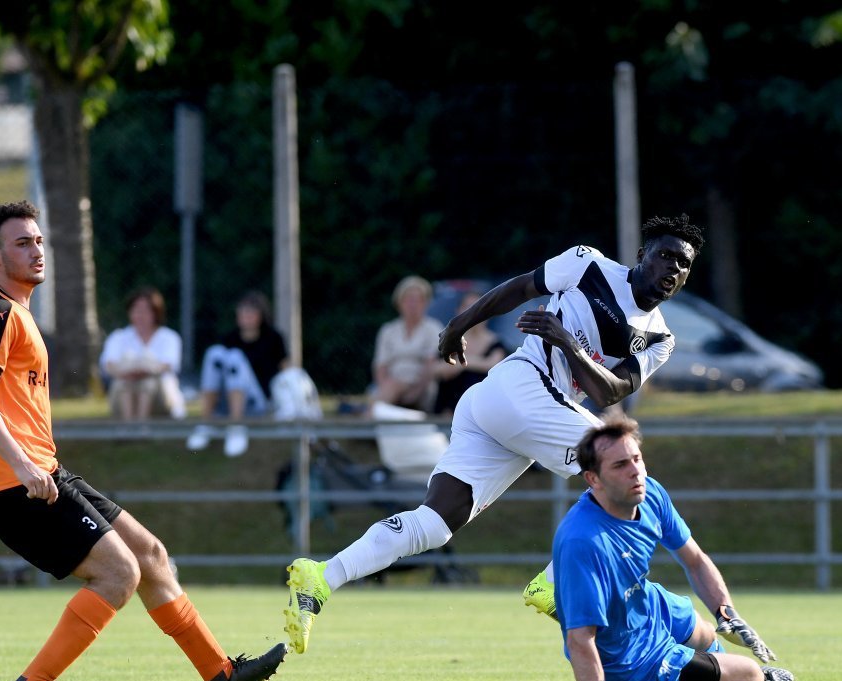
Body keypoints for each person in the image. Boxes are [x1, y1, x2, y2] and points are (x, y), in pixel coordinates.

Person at [281, 214, 705, 655]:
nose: (672, 270)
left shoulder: (659, 338)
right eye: (665, 256)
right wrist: (457, 326)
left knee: (436, 523)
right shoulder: (587, 264)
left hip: (509, 407)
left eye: (684, 265)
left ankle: (321, 577)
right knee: (624, 467)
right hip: (519, 385)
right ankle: (555, 583)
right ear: (643, 256)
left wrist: (568, 344)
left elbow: (607, 389)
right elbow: (520, 288)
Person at [0, 200, 286, 681]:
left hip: (44, 471)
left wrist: (34, 465)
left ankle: (222, 676)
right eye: (23, 243)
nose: (37, 250)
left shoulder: (18, 314)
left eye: (39, 240)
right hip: (16, 483)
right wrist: (23, 467)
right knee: (119, 573)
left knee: (151, 555)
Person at [554, 417, 793, 681]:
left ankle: (696, 669)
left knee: (706, 631)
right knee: (748, 676)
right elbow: (580, 639)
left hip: (646, 605)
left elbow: (694, 559)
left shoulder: (649, 492)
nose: (635, 471)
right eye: (620, 465)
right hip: (627, 658)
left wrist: (727, 614)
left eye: (637, 459)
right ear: (593, 479)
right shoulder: (583, 541)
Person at [186, 290, 288, 457]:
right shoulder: (230, 338)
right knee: (214, 353)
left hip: (258, 403)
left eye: (250, 311)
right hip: (226, 402)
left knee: (235, 357)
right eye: (242, 311)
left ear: (261, 315)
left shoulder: (273, 338)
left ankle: (236, 426)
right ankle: (206, 423)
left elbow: (286, 372)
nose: (245, 315)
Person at [98, 286, 187, 421]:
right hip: (122, 392)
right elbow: (109, 365)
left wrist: (144, 370)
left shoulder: (169, 337)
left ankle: (141, 426)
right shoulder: (118, 337)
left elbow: (169, 365)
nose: (141, 315)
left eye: (146, 310)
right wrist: (130, 372)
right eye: (136, 310)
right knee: (124, 382)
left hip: (160, 399)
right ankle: (129, 427)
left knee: (148, 383)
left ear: (156, 312)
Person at [370, 275, 443, 412]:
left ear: (425, 303)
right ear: (399, 302)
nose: (413, 305)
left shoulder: (433, 329)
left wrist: (416, 391)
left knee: (388, 390)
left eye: (418, 300)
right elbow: (380, 366)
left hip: (421, 386)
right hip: (391, 385)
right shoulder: (388, 330)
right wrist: (384, 386)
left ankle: (366, 422)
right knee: (390, 387)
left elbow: (430, 364)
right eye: (409, 300)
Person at [431, 290, 507, 414]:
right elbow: (434, 368)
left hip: (483, 410)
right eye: (467, 307)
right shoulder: (450, 340)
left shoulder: (495, 343)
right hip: (448, 410)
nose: (473, 313)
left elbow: (494, 365)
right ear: (459, 311)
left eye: (477, 307)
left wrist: (463, 363)